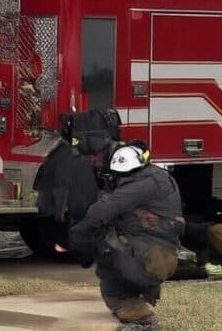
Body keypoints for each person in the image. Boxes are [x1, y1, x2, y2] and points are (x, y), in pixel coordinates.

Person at [67, 141, 185, 331]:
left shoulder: (146, 182)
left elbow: (105, 209)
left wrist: (78, 234)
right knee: (112, 259)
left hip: (154, 257)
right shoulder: (148, 176)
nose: (119, 178)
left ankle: (142, 319)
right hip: (150, 250)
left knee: (106, 244)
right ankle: (136, 305)